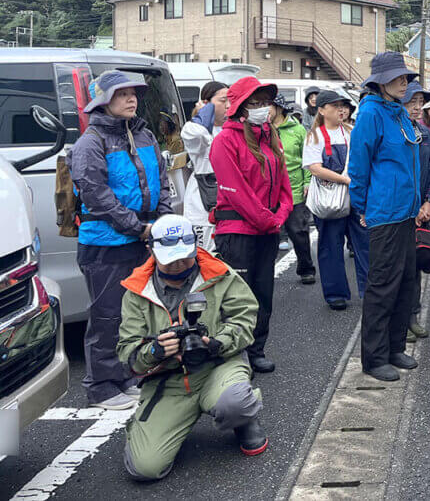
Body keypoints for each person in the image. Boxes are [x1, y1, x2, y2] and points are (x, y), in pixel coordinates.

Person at [117, 214, 266, 481]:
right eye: (170, 257)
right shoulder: (136, 291)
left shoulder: (220, 274)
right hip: (169, 381)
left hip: (217, 366)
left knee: (236, 404)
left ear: (196, 245)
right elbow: (128, 353)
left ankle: (243, 420)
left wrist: (218, 342)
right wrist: (155, 351)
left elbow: (246, 319)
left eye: (184, 256)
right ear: (151, 249)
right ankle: (162, 427)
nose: (177, 264)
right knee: (145, 469)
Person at [70, 69, 173, 410]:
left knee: (135, 315)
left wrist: (160, 218)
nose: (131, 99)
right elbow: (96, 195)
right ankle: (101, 386)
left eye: (133, 93)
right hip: (104, 242)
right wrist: (138, 226)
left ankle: (128, 375)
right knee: (106, 315)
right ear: (103, 100)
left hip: (140, 239)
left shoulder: (144, 136)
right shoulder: (91, 142)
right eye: (121, 94)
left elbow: (162, 179)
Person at [209, 77, 293, 374]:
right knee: (237, 297)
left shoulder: (270, 136)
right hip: (238, 231)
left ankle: (256, 348)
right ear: (240, 108)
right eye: (254, 103)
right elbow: (237, 191)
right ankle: (236, 353)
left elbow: (284, 184)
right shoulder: (225, 141)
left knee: (263, 293)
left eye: (264, 103)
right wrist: (268, 219)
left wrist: (281, 214)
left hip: (267, 229)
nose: (261, 109)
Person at [348, 52, 421, 381]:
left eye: (406, 77)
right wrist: (362, 207)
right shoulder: (371, 114)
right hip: (384, 213)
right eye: (398, 77)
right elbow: (358, 167)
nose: (404, 82)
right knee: (382, 286)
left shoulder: (399, 114)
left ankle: (394, 347)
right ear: (380, 82)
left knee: (406, 281)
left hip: (405, 212)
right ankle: (374, 358)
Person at [303, 91, 370, 308]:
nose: (342, 110)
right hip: (331, 199)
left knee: (365, 243)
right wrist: (346, 180)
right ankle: (335, 294)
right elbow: (315, 169)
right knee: (330, 246)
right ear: (321, 110)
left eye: (343, 105)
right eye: (335, 106)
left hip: (355, 197)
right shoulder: (314, 136)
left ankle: (370, 290)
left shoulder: (351, 131)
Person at [401, 81, 430, 340]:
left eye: (419, 102)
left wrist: (428, 202)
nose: (416, 108)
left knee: (415, 265)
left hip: (422, 211)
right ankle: (399, 320)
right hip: (398, 212)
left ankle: (412, 316)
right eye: (411, 102)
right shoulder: (394, 132)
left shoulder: (424, 134)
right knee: (397, 269)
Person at [273, 94, 316, 285]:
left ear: (279, 108)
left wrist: (307, 182)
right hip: (269, 190)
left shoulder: (297, 130)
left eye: (268, 105)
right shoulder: (261, 130)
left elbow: (306, 159)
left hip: (294, 188)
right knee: (269, 234)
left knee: (298, 231)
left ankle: (306, 268)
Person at [181, 81, 228, 252]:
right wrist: (205, 113)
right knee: (206, 256)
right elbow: (196, 133)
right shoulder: (194, 128)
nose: (228, 105)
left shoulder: (230, 128)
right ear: (206, 103)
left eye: (231, 100)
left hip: (229, 198)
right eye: (223, 100)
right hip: (203, 200)